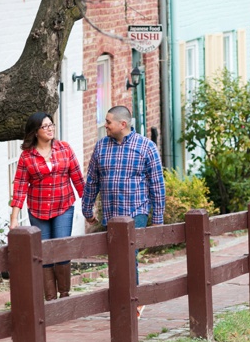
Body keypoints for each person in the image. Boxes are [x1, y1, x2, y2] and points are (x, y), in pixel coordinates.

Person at [83, 106, 166, 305]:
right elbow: (92, 180)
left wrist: (157, 218)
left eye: (109, 121)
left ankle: (131, 303)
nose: (105, 125)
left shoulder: (146, 147)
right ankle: (121, 299)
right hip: (111, 214)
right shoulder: (101, 146)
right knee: (115, 259)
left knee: (128, 256)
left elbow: (157, 184)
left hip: (136, 211)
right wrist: (87, 210)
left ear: (123, 124)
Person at [10, 112, 85, 300]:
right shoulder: (27, 157)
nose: (50, 129)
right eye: (45, 126)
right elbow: (19, 187)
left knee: (61, 248)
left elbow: (77, 178)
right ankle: (50, 298)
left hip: (63, 206)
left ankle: (65, 295)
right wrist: (14, 220)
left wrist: (88, 206)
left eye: (51, 125)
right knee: (43, 252)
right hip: (38, 210)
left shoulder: (64, 149)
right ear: (35, 132)